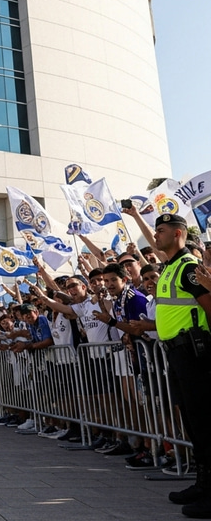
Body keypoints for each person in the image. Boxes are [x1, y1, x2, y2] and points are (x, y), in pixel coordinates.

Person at [125, 209, 211, 516]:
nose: (156, 235)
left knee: (204, 422)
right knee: (192, 422)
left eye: (161, 231)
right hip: (177, 353)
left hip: (195, 352)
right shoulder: (170, 268)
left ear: (177, 233)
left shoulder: (188, 267)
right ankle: (203, 484)